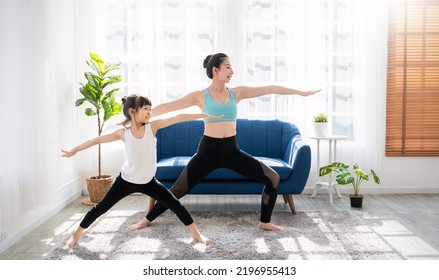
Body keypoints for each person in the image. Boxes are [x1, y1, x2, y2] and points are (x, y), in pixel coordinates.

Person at [131, 53, 320, 232]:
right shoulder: (200, 96)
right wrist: (137, 117)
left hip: (231, 150)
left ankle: (265, 222)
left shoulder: (236, 93)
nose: (232, 71)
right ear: (215, 70)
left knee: (273, 178)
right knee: (178, 189)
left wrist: (300, 92)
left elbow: (270, 88)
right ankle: (146, 220)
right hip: (208, 151)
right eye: (228, 67)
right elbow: (168, 106)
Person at [61, 94, 221, 249]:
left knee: (175, 205)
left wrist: (204, 115)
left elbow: (178, 117)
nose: (150, 113)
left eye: (150, 109)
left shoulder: (153, 127)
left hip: (148, 182)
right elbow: (96, 140)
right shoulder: (123, 133)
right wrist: (75, 150)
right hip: (126, 181)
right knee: (101, 208)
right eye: (146, 109)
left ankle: (196, 234)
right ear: (132, 111)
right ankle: (75, 236)